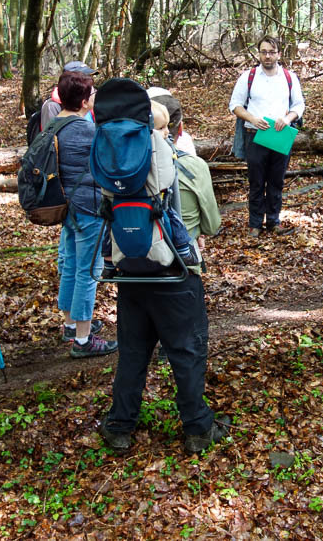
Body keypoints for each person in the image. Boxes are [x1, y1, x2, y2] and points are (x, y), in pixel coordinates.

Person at [100, 79, 229, 456]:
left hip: (130, 267)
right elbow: (213, 223)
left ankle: (121, 425)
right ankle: (197, 427)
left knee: (134, 352)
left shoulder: (110, 158)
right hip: (175, 273)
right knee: (187, 351)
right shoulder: (177, 161)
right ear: (175, 128)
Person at [51, 71, 116, 357]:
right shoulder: (87, 130)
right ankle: (83, 339)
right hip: (88, 207)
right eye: (91, 94)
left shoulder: (53, 125)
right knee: (88, 271)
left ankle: (69, 323)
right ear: (83, 100)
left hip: (65, 207)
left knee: (71, 266)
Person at [228, 35, 305, 237]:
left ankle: (273, 221)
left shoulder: (289, 77)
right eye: (264, 52)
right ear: (259, 54)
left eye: (272, 52)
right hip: (255, 135)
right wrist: (252, 119)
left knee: (276, 180)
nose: (268, 56)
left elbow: (299, 105)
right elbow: (234, 105)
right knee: (256, 180)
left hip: (280, 135)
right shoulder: (249, 76)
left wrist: (288, 119)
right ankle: (255, 224)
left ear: (279, 54)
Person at [149, 92, 221, 252]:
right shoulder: (195, 166)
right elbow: (212, 225)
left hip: (133, 259)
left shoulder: (122, 169)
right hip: (182, 258)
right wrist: (197, 232)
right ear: (180, 128)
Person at [40, 61, 99, 131]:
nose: (89, 82)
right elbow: (49, 135)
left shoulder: (90, 100)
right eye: (84, 78)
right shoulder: (52, 106)